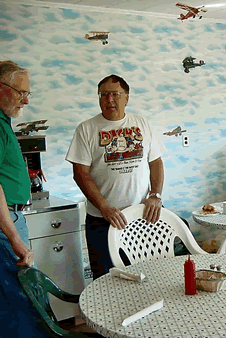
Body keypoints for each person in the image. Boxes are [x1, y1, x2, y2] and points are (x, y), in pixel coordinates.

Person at [66, 74, 166, 280]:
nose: (109, 100)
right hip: (103, 220)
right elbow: (80, 173)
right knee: (105, 279)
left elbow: (155, 162)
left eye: (115, 94)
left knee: (148, 274)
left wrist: (155, 194)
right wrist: (104, 206)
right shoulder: (87, 129)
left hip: (142, 216)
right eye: (103, 95)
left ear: (127, 97)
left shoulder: (142, 123)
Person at [0, 61, 50, 336]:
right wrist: (15, 239)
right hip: (4, 226)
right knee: (20, 304)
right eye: (20, 93)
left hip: (10, 219)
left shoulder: (4, 123)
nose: (26, 100)